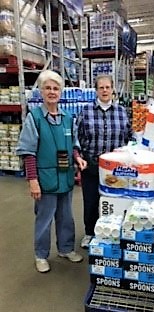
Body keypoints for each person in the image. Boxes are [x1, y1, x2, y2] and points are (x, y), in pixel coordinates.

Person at [16, 70, 87, 273]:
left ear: (61, 92)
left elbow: (73, 145)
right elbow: (28, 152)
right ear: (41, 91)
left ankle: (65, 249)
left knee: (66, 216)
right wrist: (33, 180)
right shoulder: (35, 117)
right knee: (44, 218)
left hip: (65, 177)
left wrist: (78, 158)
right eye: (48, 88)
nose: (52, 92)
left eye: (56, 88)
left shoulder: (67, 117)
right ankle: (41, 254)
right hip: (45, 178)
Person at [76, 74, 134, 248]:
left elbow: (130, 137)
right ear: (96, 91)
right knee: (91, 201)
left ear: (113, 89)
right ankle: (90, 233)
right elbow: (77, 137)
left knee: (114, 201)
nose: (105, 90)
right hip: (92, 165)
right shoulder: (85, 112)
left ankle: (113, 232)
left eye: (107, 87)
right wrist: (78, 157)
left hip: (116, 169)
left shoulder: (121, 112)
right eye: (101, 87)